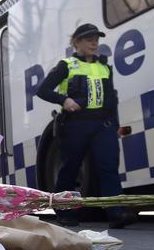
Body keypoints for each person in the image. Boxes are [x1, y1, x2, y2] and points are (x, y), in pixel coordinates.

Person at [36, 23, 137, 229]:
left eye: (96, 39)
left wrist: (114, 125)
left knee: (108, 168)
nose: (94, 43)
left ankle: (116, 213)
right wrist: (64, 100)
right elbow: (43, 90)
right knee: (70, 169)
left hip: (103, 125)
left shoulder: (104, 66)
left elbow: (112, 98)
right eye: (89, 39)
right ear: (77, 42)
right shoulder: (67, 65)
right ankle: (65, 213)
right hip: (76, 125)